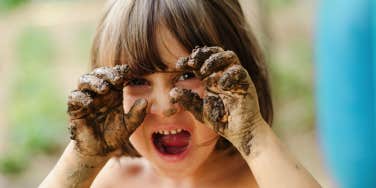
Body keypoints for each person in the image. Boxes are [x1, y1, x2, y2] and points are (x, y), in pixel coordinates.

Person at [40, 0, 321, 187]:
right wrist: (83, 160)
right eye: (137, 80)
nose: (165, 107)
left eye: (188, 76)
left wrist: (253, 138)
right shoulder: (115, 180)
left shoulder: (264, 179)